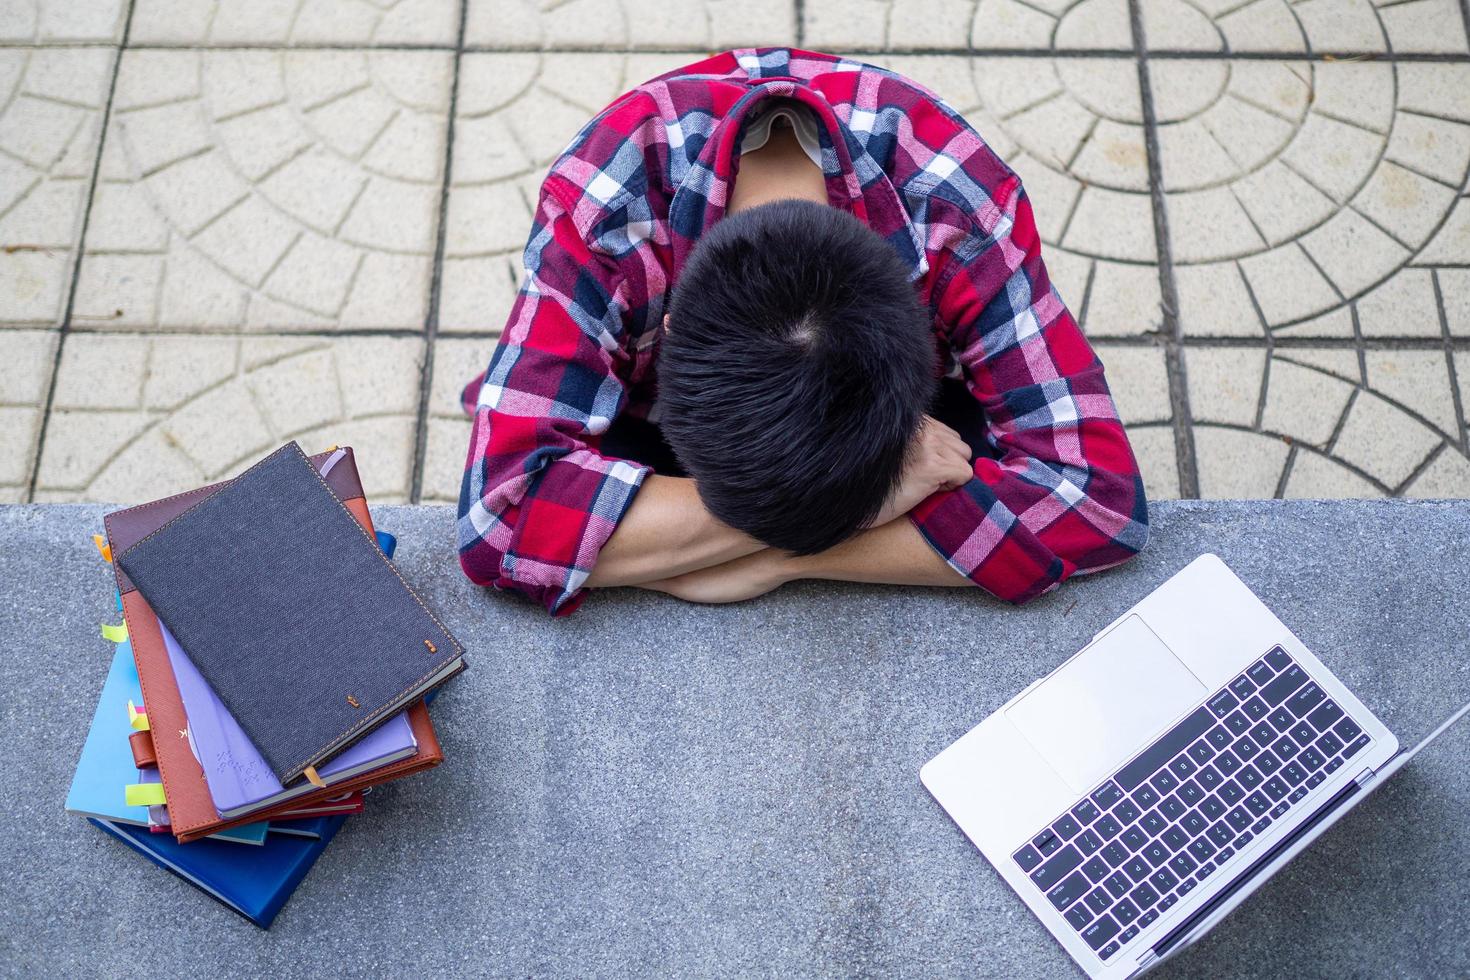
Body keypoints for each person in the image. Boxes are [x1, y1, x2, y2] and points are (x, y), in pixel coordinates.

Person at [456, 46, 1149, 616]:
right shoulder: (603, 208)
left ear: (919, 332)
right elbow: (501, 517)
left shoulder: (957, 210)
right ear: (672, 333)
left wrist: (781, 560)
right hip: (685, 417)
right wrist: (862, 509)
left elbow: (1098, 499)